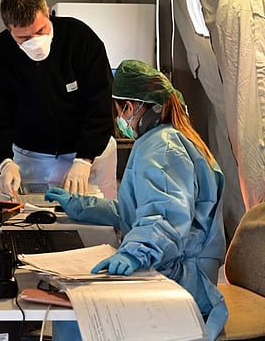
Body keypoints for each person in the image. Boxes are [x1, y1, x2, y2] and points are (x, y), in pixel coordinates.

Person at [45, 60, 228, 340]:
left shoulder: (162, 147)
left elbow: (165, 216)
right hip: (173, 264)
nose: (118, 119)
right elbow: (139, 211)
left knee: (75, 313)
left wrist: (135, 252)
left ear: (129, 107)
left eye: (118, 110)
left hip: (180, 281)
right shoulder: (168, 138)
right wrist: (81, 206)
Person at [0, 0, 114, 197]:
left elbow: (101, 104)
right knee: (34, 218)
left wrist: (84, 159)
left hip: (88, 153)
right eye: (24, 38)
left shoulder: (81, 40)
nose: (35, 42)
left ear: (47, 12)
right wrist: (4, 162)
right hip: (31, 157)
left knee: (99, 219)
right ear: (9, 29)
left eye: (40, 31)